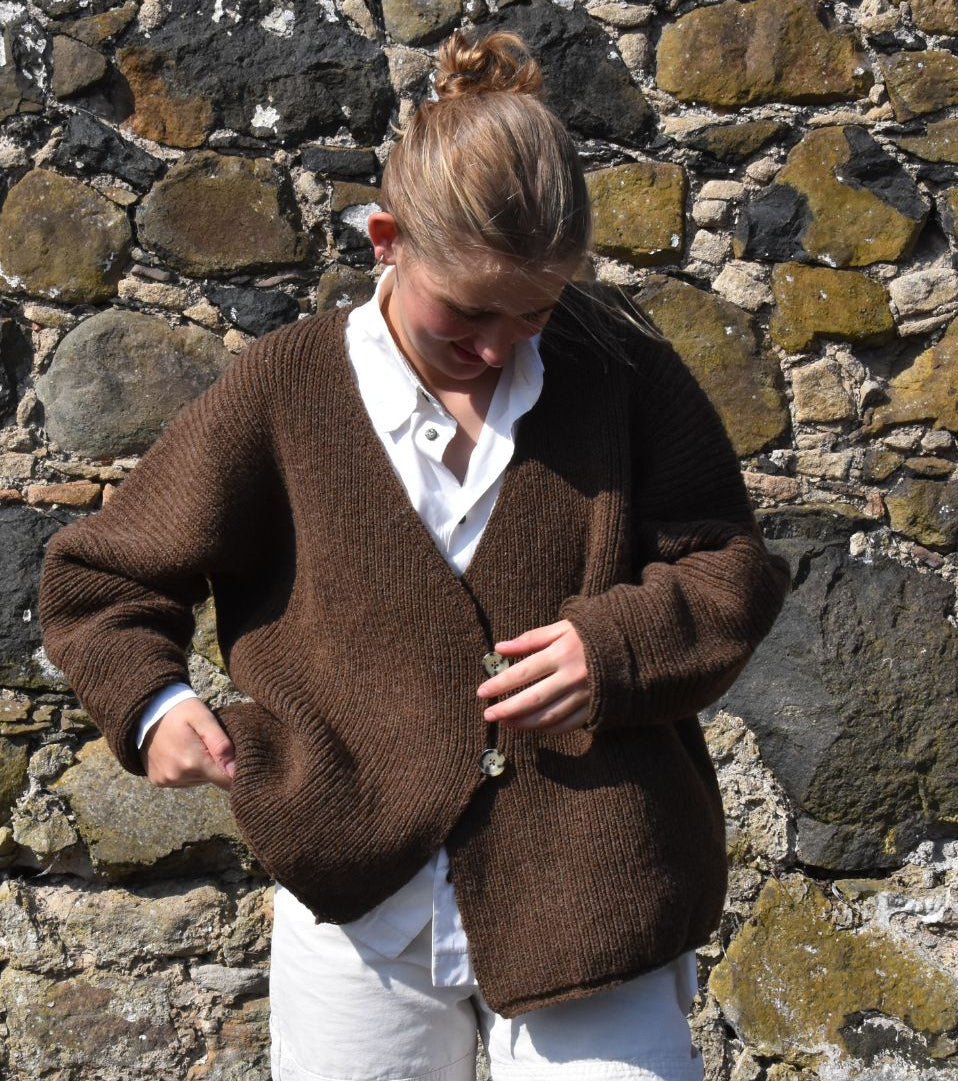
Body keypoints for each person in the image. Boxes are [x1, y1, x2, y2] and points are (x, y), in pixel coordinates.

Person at [40, 28, 789, 1081]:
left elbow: (729, 565)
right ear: (387, 240)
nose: (496, 347)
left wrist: (615, 648)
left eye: (534, 313)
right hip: (358, 898)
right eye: (467, 315)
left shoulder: (619, 367)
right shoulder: (287, 388)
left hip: (597, 889)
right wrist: (154, 704)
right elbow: (102, 578)